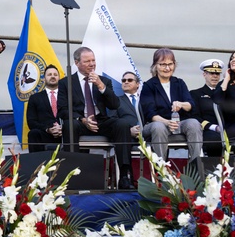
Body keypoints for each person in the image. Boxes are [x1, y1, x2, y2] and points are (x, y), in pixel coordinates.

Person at [59, 47, 138, 188]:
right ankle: (74, 174)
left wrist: (101, 86)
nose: (91, 64)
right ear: (77, 63)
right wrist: (83, 120)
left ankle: (125, 176)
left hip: (100, 121)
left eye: (93, 60)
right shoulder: (66, 83)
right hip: (80, 121)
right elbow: (62, 110)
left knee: (123, 124)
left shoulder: (104, 81)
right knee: (69, 125)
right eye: (87, 61)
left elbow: (114, 105)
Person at [139, 48, 204, 165]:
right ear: (155, 66)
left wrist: (181, 104)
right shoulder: (148, 85)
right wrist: (167, 122)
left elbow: (191, 105)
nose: (167, 68)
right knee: (158, 127)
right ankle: (161, 168)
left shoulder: (179, 83)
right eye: (163, 64)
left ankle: (196, 166)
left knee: (194, 123)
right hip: (156, 124)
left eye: (170, 64)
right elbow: (150, 114)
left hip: (179, 123)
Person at [25, 64, 64, 152]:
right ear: (43, 79)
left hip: (64, 133)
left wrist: (62, 128)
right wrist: (48, 129)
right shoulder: (35, 98)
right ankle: (36, 165)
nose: (52, 77)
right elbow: (31, 122)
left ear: (59, 78)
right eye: (49, 75)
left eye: (55, 74)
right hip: (44, 133)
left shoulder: (67, 96)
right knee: (33, 133)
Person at [191, 59, 224, 157]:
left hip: (227, 129)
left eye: (217, 74)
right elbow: (194, 116)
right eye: (211, 73)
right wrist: (213, 127)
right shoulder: (195, 94)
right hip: (207, 130)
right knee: (215, 140)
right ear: (204, 74)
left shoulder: (226, 94)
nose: (215, 76)